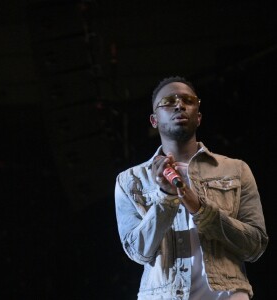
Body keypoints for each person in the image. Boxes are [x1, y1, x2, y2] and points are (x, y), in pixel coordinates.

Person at [114, 75, 268, 300]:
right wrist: (166, 197)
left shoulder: (236, 170)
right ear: (154, 120)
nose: (179, 104)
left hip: (228, 295)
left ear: (199, 116)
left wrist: (201, 211)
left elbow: (255, 246)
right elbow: (138, 252)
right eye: (168, 102)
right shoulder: (131, 180)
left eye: (188, 100)